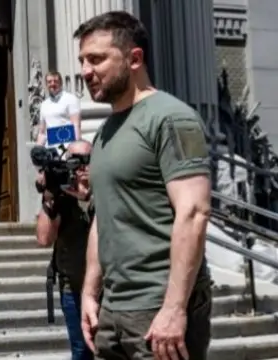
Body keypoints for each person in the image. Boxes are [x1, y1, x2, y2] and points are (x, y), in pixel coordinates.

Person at [75, 11, 213, 360]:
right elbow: (102, 218)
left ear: (134, 58)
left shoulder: (171, 117)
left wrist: (175, 308)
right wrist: (90, 293)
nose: (85, 71)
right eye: (82, 60)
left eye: (97, 59)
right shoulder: (105, 132)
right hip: (113, 311)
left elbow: (194, 212)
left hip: (158, 312)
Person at [36, 140, 93, 360]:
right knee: (80, 351)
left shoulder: (106, 190)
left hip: (106, 288)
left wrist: (87, 193)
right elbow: (43, 238)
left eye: (86, 160)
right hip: (73, 286)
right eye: (75, 161)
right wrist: (50, 198)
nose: (81, 167)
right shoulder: (61, 197)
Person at [37, 71, 82, 148]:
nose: (52, 84)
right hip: (50, 150)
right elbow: (42, 132)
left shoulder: (70, 99)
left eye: (55, 81)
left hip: (67, 148)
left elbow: (76, 126)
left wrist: (76, 148)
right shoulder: (44, 105)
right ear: (46, 84)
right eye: (49, 82)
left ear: (61, 83)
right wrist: (37, 149)